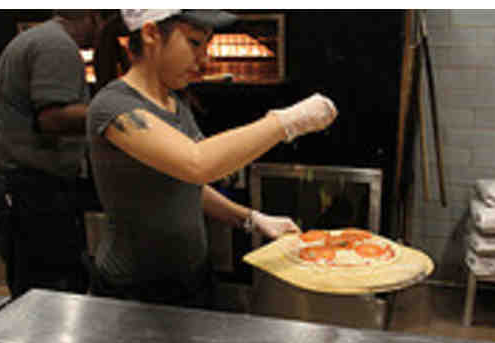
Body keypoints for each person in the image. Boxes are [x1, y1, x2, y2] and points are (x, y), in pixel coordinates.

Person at [86, 9, 338, 309]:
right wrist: (286, 122)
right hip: (133, 292)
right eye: (194, 43)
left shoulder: (173, 102)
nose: (203, 60)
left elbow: (185, 184)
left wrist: (250, 219)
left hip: (192, 278)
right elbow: (197, 164)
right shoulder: (113, 106)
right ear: (151, 34)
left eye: (206, 46)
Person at [0, 10, 105, 298]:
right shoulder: (57, 45)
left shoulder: (38, 37)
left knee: (37, 287)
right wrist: (113, 110)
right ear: (93, 16)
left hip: (7, 180)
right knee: (49, 292)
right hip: (21, 185)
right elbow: (52, 119)